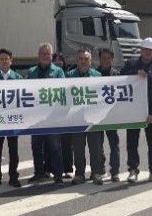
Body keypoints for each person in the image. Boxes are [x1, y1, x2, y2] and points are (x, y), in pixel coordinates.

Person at [121, 37, 152, 184]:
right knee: (132, 142)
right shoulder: (131, 64)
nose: (148, 52)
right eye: (146, 49)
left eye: (151, 50)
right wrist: (135, 72)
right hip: (134, 111)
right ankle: (133, 170)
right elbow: (121, 76)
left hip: (149, 113)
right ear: (141, 50)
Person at [27, 42, 65, 185]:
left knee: (55, 147)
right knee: (36, 146)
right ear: (38, 56)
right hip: (36, 117)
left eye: (48, 54)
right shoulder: (31, 72)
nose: (45, 56)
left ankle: (58, 175)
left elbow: (63, 91)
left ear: (51, 56)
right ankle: (39, 173)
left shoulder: (58, 72)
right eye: (43, 54)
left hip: (52, 116)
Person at [66, 49, 104, 185]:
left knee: (95, 148)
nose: (83, 61)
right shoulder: (69, 75)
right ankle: (79, 174)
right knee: (78, 148)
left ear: (90, 61)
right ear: (77, 61)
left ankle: (96, 173)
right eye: (80, 59)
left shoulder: (98, 76)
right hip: (76, 118)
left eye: (86, 59)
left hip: (93, 118)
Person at [0, 48, 21, 188]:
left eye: (7, 59)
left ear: (11, 61)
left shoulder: (18, 78)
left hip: (13, 119)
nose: (4, 61)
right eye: (1, 59)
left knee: (13, 150)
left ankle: (13, 176)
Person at [96, 47, 120, 182]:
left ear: (112, 59)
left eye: (108, 58)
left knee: (114, 144)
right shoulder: (94, 74)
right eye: (103, 58)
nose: (106, 60)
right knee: (98, 144)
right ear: (99, 59)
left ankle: (115, 171)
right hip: (97, 116)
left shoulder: (117, 75)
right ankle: (100, 170)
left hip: (112, 115)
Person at [52, 51, 73, 179]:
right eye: (55, 60)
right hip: (53, 115)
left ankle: (68, 168)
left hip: (67, 115)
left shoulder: (69, 74)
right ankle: (53, 169)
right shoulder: (51, 75)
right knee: (54, 144)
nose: (58, 62)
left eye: (60, 60)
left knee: (67, 143)